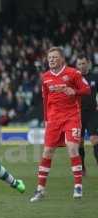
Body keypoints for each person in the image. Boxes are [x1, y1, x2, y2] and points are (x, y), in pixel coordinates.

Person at [30, 47, 91, 202]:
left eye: (54, 57)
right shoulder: (45, 78)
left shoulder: (74, 73)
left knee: (72, 148)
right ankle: (40, 190)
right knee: (47, 152)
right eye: (49, 57)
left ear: (62, 59)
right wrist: (46, 120)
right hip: (53, 120)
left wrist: (75, 92)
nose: (51, 60)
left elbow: (87, 89)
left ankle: (78, 186)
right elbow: (45, 101)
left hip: (71, 117)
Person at [75, 54, 98, 175]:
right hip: (78, 114)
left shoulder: (95, 76)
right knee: (80, 141)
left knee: (94, 139)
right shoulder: (74, 78)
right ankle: (82, 167)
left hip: (93, 113)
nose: (81, 66)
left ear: (88, 63)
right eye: (79, 64)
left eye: (83, 63)